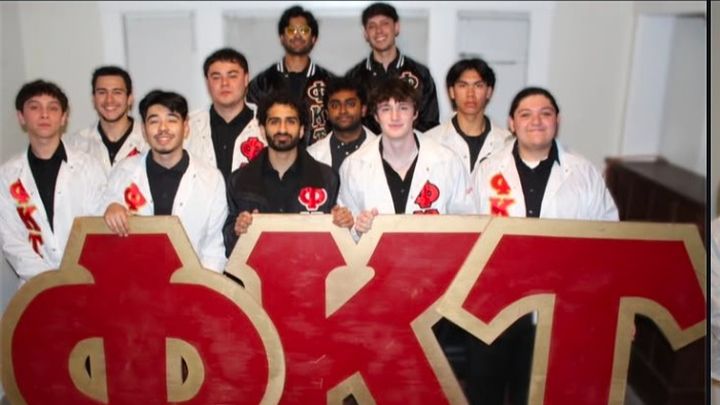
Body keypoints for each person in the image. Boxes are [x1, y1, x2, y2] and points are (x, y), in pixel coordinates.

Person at [470, 86, 619, 405]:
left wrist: (612, 304)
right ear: (512, 123)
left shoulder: (583, 174)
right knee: (485, 389)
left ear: (557, 121)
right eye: (526, 114)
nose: (536, 121)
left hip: (559, 304)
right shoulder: (487, 170)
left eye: (545, 114)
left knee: (539, 392)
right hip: (496, 303)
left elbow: (608, 241)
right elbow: (469, 234)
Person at [102, 90, 227, 273]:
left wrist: (201, 287)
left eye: (171, 120)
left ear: (186, 127)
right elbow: (102, 224)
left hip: (191, 281)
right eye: (154, 121)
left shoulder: (211, 179)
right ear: (143, 130)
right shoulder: (123, 172)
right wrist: (110, 208)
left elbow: (213, 249)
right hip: (134, 280)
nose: (163, 128)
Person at [338, 77, 472, 237]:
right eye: (386, 109)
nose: (395, 117)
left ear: (415, 113)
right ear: (376, 116)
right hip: (374, 254)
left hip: (434, 252)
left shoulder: (448, 162)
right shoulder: (353, 166)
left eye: (403, 108)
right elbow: (345, 233)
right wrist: (358, 230)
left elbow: (468, 225)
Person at [0, 80, 107, 282]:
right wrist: (50, 281)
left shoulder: (88, 167)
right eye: (34, 107)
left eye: (53, 108)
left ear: (64, 117)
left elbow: (98, 225)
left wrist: (74, 275)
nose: (44, 114)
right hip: (35, 285)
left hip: (86, 279)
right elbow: (11, 241)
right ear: (21, 116)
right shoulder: (7, 176)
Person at [223, 91, 352, 257]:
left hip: (310, 270)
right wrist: (237, 230)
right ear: (262, 130)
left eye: (290, 121)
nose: (282, 129)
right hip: (257, 271)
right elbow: (229, 248)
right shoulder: (240, 180)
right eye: (274, 122)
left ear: (301, 130)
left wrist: (343, 224)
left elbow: (337, 248)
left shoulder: (327, 178)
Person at [346, 2, 439, 135]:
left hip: (413, 147)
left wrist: (403, 142)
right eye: (372, 26)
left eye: (385, 24)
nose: (379, 30)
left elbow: (430, 124)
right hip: (367, 148)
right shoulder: (353, 78)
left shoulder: (420, 74)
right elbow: (349, 124)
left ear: (396, 27)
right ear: (365, 34)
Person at [247, 5, 335, 146]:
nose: (297, 35)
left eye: (304, 30)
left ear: (314, 38)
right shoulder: (262, 83)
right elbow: (252, 127)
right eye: (291, 30)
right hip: (274, 155)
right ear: (282, 38)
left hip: (318, 157)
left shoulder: (330, 82)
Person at [186, 48, 264, 182]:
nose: (224, 83)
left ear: (246, 79)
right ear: (207, 82)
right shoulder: (188, 127)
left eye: (232, 76)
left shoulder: (268, 125)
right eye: (216, 77)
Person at [425, 58, 512, 176]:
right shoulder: (431, 141)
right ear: (452, 92)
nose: (470, 94)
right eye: (463, 85)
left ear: (489, 92)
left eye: (478, 86)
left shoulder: (507, 142)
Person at [64, 66, 147, 174]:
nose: (109, 100)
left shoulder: (148, 142)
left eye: (117, 92)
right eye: (102, 92)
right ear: (93, 99)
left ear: (130, 98)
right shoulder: (75, 144)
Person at [307, 76, 376, 172]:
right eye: (335, 105)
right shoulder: (311, 156)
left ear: (363, 110)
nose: (343, 111)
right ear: (327, 113)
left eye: (350, 104)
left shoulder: (383, 151)